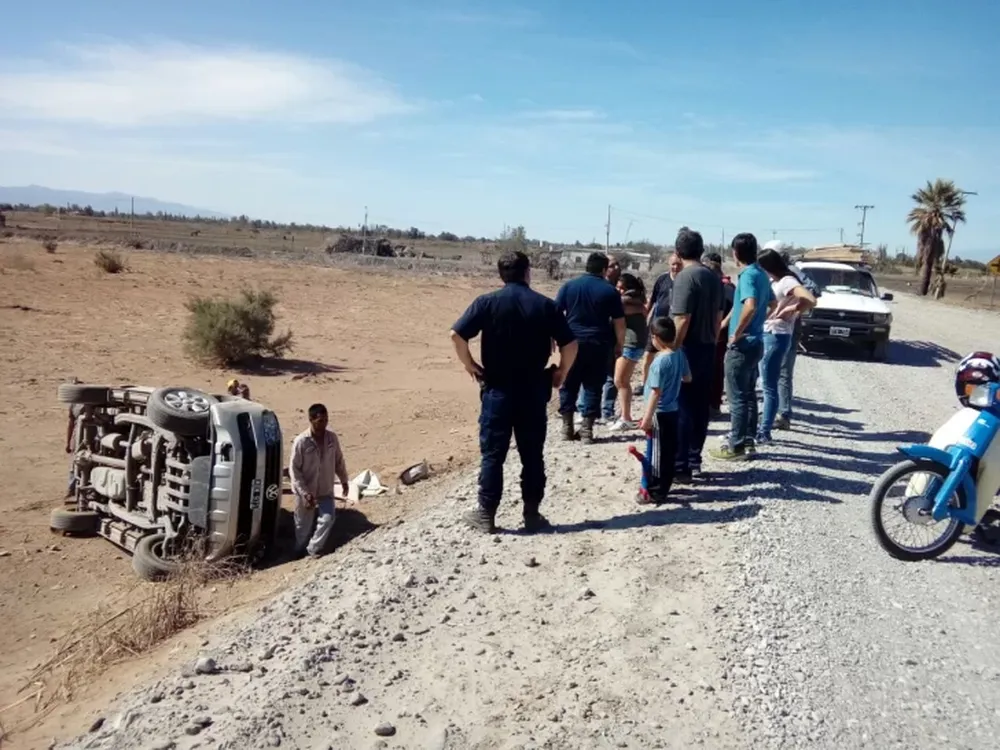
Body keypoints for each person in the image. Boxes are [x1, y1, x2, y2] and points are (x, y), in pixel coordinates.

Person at [451, 251, 578, 533]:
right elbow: (570, 344)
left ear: (501, 275)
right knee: (532, 454)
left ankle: (486, 514)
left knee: (493, 455)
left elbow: (456, 335)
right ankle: (531, 515)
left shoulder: (487, 303)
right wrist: (561, 372)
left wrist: (470, 364)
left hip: (497, 389)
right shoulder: (545, 306)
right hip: (533, 390)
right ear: (527, 273)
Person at [710, 233, 775, 461]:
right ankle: (748, 441)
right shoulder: (762, 274)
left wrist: (736, 333)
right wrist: (729, 322)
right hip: (756, 341)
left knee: (737, 397)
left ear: (736, 253)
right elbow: (773, 303)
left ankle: (735, 445)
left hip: (742, 344)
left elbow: (750, 305)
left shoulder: (747, 275)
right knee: (748, 395)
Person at [669, 228, 723, 481]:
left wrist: (672, 350)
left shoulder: (684, 278)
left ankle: (680, 467)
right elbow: (717, 318)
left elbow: (682, 318)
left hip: (687, 349)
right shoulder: (713, 277)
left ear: (678, 252)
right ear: (700, 250)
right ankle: (693, 459)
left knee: (682, 407)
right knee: (700, 406)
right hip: (707, 347)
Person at [555, 252, 625, 444]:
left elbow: (555, 313)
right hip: (598, 344)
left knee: (568, 384)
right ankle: (586, 431)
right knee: (593, 386)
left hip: (571, 343)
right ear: (603, 270)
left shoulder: (569, 286)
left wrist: (554, 337)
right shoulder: (609, 291)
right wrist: (620, 344)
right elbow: (619, 322)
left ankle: (566, 429)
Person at [755, 249, 816, 443]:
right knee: (767, 383)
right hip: (771, 333)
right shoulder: (776, 281)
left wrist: (791, 309)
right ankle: (765, 425)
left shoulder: (787, 281)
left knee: (769, 385)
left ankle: (764, 431)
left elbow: (810, 299)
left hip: (777, 334)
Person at [636, 317, 691, 504]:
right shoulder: (679, 354)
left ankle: (656, 491)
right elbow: (687, 378)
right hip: (674, 409)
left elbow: (655, 393)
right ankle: (665, 486)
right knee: (668, 451)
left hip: (660, 412)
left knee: (657, 455)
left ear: (656, 337)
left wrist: (646, 418)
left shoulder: (659, 362)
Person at [289, 403, 350, 558]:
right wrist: (304, 493)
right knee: (303, 526)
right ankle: (298, 551)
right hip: (306, 490)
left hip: (325, 489)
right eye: (320, 421)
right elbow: (294, 470)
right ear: (311, 420)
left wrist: (344, 480)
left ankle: (313, 549)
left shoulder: (332, 439)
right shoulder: (301, 442)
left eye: (326, 420)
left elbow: (338, 460)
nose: (324, 424)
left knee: (328, 518)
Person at [608, 272, 648, 431]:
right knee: (622, 381)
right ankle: (625, 415)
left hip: (630, 344)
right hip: (632, 344)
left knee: (621, 381)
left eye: (621, 288)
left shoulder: (627, 301)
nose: (618, 290)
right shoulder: (635, 300)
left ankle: (625, 417)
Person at [641, 252, 683, 391]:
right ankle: (644, 383)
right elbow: (652, 301)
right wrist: (645, 317)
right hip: (657, 323)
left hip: (674, 326)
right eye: (673, 264)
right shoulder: (662, 279)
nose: (675, 267)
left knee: (671, 355)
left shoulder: (685, 280)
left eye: (678, 264)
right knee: (648, 355)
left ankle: (669, 384)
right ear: (669, 264)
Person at [703, 251, 735, 416]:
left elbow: (735, 307)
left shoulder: (727, 288)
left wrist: (723, 324)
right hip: (709, 333)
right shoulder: (717, 286)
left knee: (715, 370)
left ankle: (714, 404)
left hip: (720, 336)